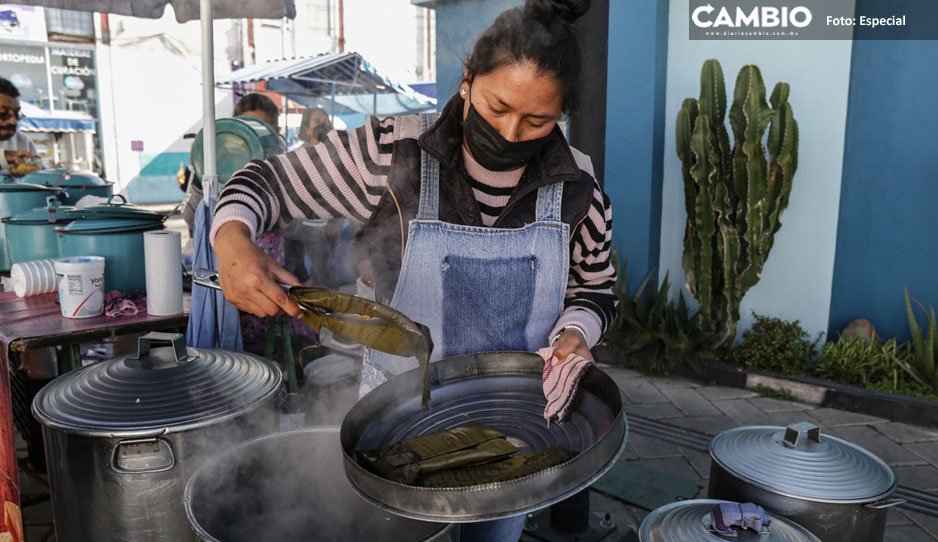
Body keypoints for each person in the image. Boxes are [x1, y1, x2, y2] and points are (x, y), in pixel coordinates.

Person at [211, 1, 612, 539]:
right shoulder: (391, 151)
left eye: (537, 121)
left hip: (514, 427)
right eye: (497, 108)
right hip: (399, 422)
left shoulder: (578, 184)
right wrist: (233, 239)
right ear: (467, 81)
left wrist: (575, 334)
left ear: (560, 114)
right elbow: (265, 183)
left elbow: (595, 286)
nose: (512, 134)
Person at [0, 76, 41, 172]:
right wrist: (3, 158)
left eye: (16, 114)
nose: (13, 121)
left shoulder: (22, 140)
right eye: (3, 114)